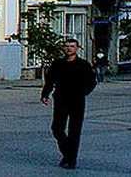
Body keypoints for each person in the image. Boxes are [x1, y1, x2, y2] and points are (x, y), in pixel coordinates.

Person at [41, 38, 96, 170]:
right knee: (57, 128)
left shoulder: (83, 65)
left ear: (77, 48)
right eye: (66, 46)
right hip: (61, 99)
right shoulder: (58, 64)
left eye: (72, 46)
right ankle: (68, 154)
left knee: (74, 130)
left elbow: (92, 82)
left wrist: (83, 92)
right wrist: (45, 94)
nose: (69, 48)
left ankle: (71, 160)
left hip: (77, 100)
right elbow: (49, 80)